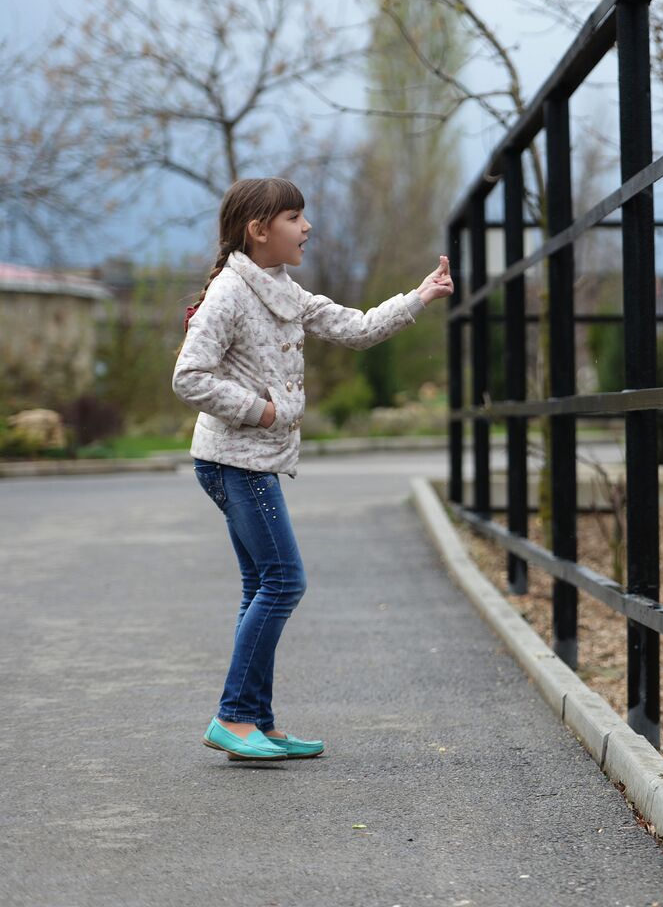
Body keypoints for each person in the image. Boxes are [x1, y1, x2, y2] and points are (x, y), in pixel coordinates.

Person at [172, 177, 454, 762]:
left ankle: (258, 723)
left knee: (262, 586)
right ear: (259, 230)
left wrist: (419, 296)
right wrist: (263, 410)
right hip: (234, 462)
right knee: (284, 581)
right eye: (295, 217)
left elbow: (355, 329)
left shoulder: (281, 287)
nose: (307, 229)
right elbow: (189, 376)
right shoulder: (229, 293)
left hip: (246, 461)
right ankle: (233, 717)